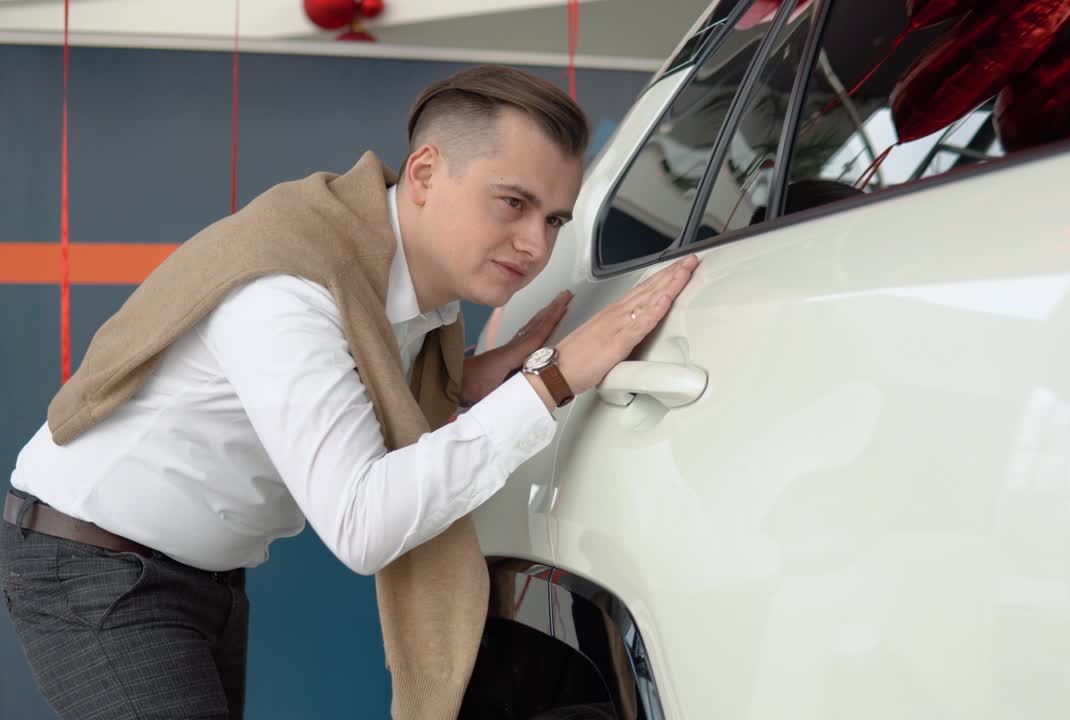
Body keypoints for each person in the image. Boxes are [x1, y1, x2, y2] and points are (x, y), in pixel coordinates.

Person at [0, 65, 699, 719]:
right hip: (92, 564)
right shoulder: (290, 292)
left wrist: (462, 384)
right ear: (425, 171)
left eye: (553, 220)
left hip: (198, 574)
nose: (535, 246)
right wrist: (552, 381)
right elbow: (363, 527)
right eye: (512, 203)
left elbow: (368, 377)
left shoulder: (414, 293)